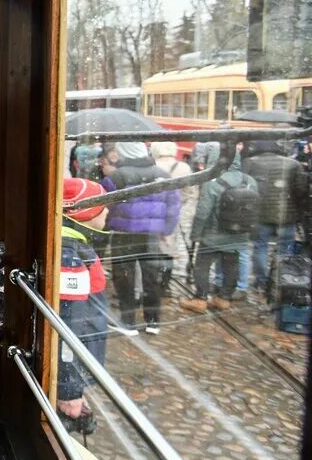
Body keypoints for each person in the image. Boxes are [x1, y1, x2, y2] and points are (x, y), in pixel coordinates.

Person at [100, 141, 180, 334]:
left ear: (123, 153)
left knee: (124, 277)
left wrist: (106, 226)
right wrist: (166, 229)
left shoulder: (116, 177)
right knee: (151, 277)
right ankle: (153, 321)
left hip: (123, 234)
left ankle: (128, 321)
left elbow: (103, 205)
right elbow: (173, 204)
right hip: (151, 235)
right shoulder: (163, 175)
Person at [56, 178, 111, 434]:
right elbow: (66, 328)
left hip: (69, 369)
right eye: (102, 206)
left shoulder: (73, 246)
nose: (108, 211)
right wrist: (69, 391)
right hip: (66, 375)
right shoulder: (70, 255)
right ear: (83, 213)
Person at [183, 151, 260, 313]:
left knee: (202, 266)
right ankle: (224, 298)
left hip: (213, 234)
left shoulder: (213, 181)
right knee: (231, 265)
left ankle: (200, 299)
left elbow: (203, 211)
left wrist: (195, 234)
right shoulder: (250, 180)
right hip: (239, 233)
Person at [242, 139, 306, 293]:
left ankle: (261, 281)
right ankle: (282, 279)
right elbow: (301, 190)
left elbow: (244, 187)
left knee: (260, 247)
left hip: (260, 214)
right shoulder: (293, 164)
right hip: (287, 215)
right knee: (286, 248)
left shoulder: (249, 162)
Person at [150, 141, 195, 288]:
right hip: (172, 213)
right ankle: (165, 283)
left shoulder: (152, 166)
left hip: (152, 213)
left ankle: (151, 280)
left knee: (151, 246)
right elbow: (189, 192)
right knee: (168, 247)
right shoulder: (184, 167)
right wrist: (178, 203)